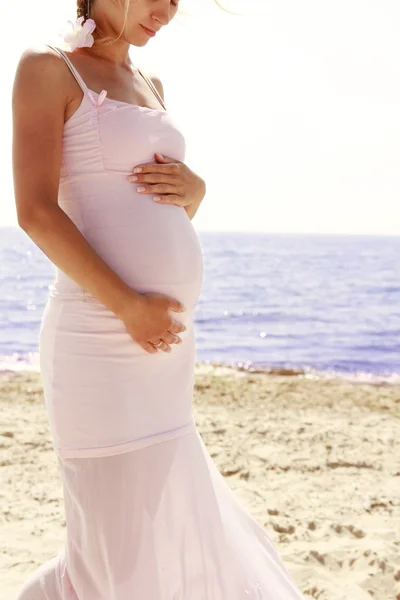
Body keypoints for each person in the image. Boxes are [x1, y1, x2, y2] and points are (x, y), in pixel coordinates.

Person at [12, 1, 306, 598]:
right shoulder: (48, 67)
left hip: (163, 345)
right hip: (98, 337)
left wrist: (196, 189)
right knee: (112, 528)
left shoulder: (151, 83)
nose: (169, 11)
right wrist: (127, 306)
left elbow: (156, 201)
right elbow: (36, 211)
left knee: (154, 514)